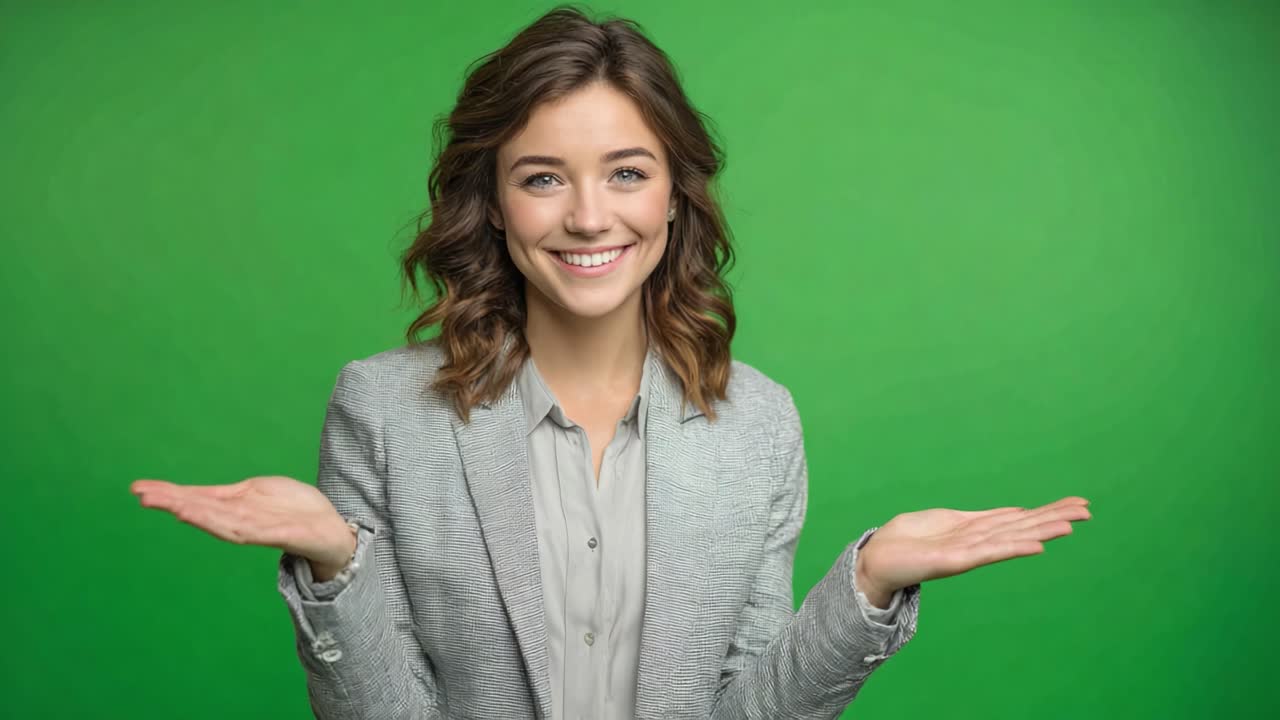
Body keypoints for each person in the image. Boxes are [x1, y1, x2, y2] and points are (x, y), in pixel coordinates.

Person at [130, 6, 1092, 719]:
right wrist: (335, 566)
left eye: (628, 172)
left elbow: (748, 711)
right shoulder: (383, 411)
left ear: (675, 195)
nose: (589, 217)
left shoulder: (758, 426)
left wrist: (871, 582)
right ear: (495, 204)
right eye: (542, 178)